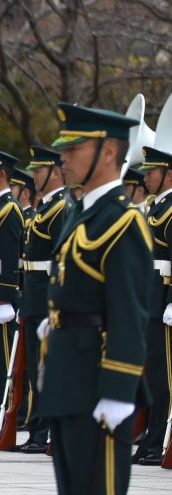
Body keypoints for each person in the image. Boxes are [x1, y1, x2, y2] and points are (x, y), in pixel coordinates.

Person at [36, 102, 152, 495]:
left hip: (96, 387)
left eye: (74, 147)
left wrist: (119, 390)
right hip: (68, 381)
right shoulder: (81, 214)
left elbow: (129, 311)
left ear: (108, 152)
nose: (63, 157)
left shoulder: (122, 223)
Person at [131, 147, 172, 465]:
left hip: (165, 307)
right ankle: (151, 437)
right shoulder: (156, 209)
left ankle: (162, 439)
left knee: (165, 376)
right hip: (150, 303)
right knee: (152, 374)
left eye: (151, 171)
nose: (145, 177)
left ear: (169, 175)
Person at [16, 146, 68, 454]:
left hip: (46, 297)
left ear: (56, 172)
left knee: (45, 367)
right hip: (34, 297)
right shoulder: (43, 208)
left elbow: (60, 260)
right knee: (34, 368)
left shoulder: (61, 208)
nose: (34, 175)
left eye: (40, 170)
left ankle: (44, 430)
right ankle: (36, 428)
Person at [0, 151, 24, 393]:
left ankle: (5, 410)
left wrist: (6, 297)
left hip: (2, 299)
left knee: (4, 360)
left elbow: (9, 256)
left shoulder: (10, 209)